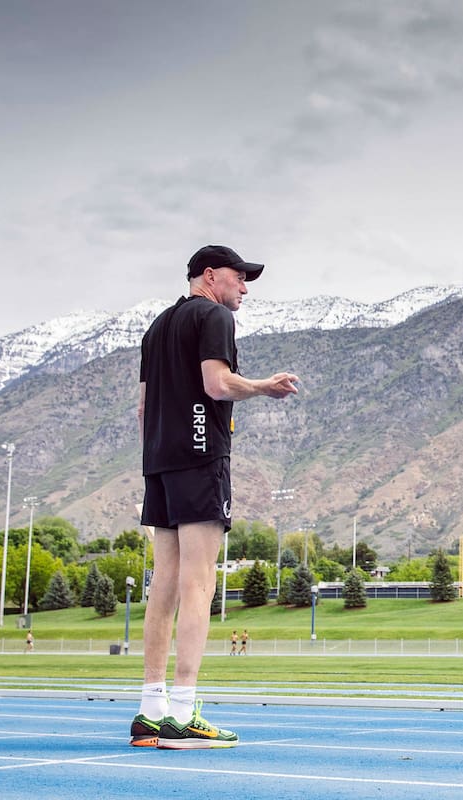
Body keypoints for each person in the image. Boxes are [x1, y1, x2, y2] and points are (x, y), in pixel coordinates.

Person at [130, 245, 299, 749]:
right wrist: (264, 387)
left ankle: (150, 710)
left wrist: (162, 451)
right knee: (199, 586)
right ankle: (183, 712)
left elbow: (142, 408)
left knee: (165, 584)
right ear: (210, 276)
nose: (245, 287)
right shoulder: (214, 315)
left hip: (160, 461)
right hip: (201, 459)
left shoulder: (157, 327)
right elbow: (217, 383)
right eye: (240, 277)